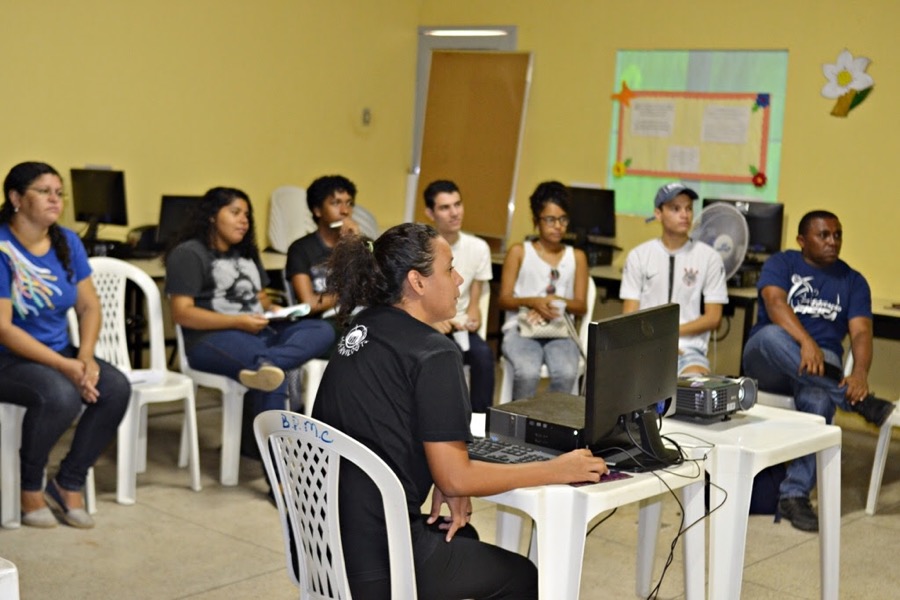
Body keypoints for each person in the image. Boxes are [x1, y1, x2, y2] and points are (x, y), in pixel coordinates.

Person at [312, 222, 607, 599]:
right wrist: (558, 469)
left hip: (321, 543)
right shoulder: (433, 352)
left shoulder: (362, 327)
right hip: (381, 559)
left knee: (461, 532)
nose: (460, 279)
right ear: (417, 282)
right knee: (524, 578)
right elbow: (456, 478)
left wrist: (444, 477)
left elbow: (382, 425)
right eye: (449, 268)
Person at [742, 209, 894, 532]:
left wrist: (862, 373)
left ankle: (794, 495)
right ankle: (853, 400)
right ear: (801, 240)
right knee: (770, 335)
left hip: (821, 365)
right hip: (770, 355)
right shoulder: (781, 263)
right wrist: (804, 341)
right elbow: (774, 304)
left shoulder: (853, 281)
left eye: (837, 235)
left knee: (818, 399)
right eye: (823, 235)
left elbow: (862, 333)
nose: (833, 241)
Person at [0, 161, 130, 529]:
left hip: (58, 353)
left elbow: (89, 305)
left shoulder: (67, 241)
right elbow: (4, 329)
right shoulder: (2, 247)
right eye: (44, 192)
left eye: (59, 193)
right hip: (7, 358)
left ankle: (68, 482)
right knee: (61, 395)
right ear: (15, 198)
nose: (55, 200)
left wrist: (84, 358)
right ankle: (29, 488)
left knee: (116, 387)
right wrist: (66, 367)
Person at [165, 187, 335, 422]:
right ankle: (274, 457)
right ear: (212, 215)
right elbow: (182, 313)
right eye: (235, 213)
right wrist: (238, 322)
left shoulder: (246, 252)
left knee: (322, 330)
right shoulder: (189, 253)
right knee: (274, 378)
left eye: (246, 215)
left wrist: (274, 310)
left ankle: (268, 362)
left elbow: (261, 298)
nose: (244, 221)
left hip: (257, 331)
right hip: (212, 338)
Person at [619, 182, 729, 375]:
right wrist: (656, 340)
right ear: (658, 213)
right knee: (631, 388)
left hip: (688, 349)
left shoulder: (709, 257)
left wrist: (671, 333)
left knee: (695, 388)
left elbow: (714, 318)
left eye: (688, 208)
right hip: (646, 346)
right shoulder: (639, 255)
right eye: (675, 208)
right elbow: (629, 315)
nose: (684, 214)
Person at [497, 181, 590, 400]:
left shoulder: (576, 257)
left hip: (560, 331)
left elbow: (581, 305)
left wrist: (554, 300)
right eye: (550, 219)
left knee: (566, 372)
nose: (558, 226)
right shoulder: (519, 252)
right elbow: (504, 299)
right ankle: (521, 425)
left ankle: (552, 424)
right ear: (535, 221)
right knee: (527, 372)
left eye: (563, 219)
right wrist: (534, 301)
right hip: (521, 329)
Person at [423, 179, 494, 412]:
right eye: (445, 207)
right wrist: (431, 320)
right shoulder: (421, 248)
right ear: (430, 213)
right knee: (442, 356)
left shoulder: (478, 247)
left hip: (460, 324)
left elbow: (477, 291)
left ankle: (479, 420)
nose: (454, 213)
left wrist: (474, 312)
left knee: (483, 356)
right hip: (427, 323)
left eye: (458, 204)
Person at [285, 174, 360, 319]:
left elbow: (375, 290)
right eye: (336, 203)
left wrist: (354, 244)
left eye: (349, 203)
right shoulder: (300, 249)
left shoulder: (361, 244)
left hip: (361, 316)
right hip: (324, 322)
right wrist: (350, 294)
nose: (345, 211)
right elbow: (309, 304)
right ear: (317, 210)